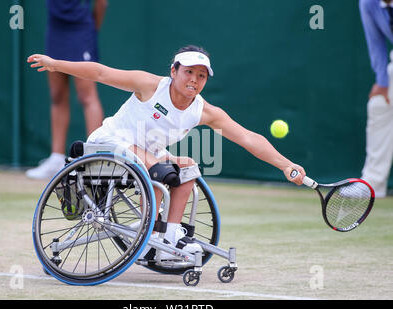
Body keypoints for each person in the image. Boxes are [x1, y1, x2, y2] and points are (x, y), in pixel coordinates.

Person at [26, 44, 306, 260]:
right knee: (163, 168)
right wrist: (55, 65)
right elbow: (100, 73)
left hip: (145, 155)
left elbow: (247, 137)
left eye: (201, 75)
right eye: (188, 72)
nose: (194, 80)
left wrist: (285, 164)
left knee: (187, 169)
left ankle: (168, 238)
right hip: (108, 144)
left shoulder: (204, 111)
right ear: (173, 71)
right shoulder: (149, 86)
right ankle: (151, 235)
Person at [26, 0, 107, 180]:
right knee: (57, 95)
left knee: (87, 97)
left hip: (81, 30)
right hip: (56, 28)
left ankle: (95, 157)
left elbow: (102, 3)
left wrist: (91, 30)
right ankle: (56, 158)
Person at [359, 0, 393, 198]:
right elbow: (376, 40)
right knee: (379, 105)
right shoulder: (368, 3)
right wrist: (382, 81)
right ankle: (372, 184)